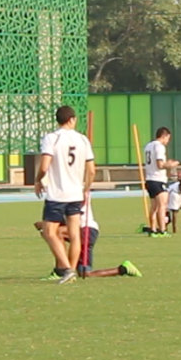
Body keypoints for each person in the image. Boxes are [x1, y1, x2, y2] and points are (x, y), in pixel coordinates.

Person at [35, 106, 96, 284]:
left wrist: (38, 180)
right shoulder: (83, 139)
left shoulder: (51, 138)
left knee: (49, 232)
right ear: (71, 119)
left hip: (57, 194)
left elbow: (45, 166)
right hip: (76, 194)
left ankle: (67, 268)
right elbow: (91, 170)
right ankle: (71, 270)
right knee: (74, 233)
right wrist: (86, 188)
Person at [33, 204, 141, 279]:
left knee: (54, 233)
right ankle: (123, 269)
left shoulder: (75, 192)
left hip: (87, 230)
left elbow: (73, 216)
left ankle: (60, 270)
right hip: (86, 231)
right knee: (85, 273)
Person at [143, 127, 179, 236]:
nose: (168, 141)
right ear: (164, 136)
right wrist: (171, 164)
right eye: (168, 138)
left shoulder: (148, 146)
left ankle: (153, 230)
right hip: (158, 179)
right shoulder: (159, 146)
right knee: (162, 206)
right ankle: (162, 230)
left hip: (149, 179)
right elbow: (160, 165)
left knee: (153, 207)